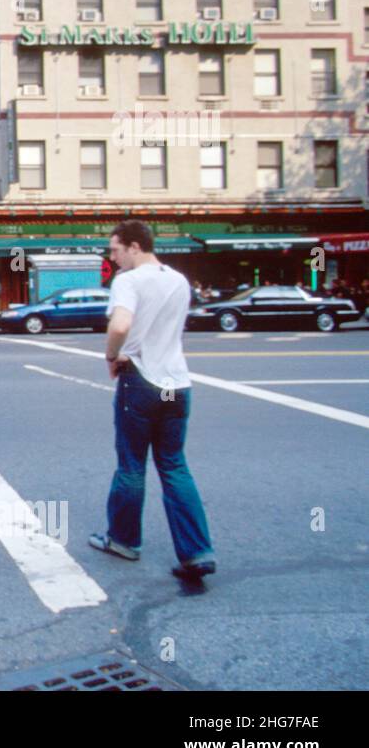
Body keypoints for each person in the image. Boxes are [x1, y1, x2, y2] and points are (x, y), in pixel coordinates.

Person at [90, 220, 216, 581]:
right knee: (174, 465)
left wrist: (111, 357)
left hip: (140, 379)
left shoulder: (128, 281)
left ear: (133, 246)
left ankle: (123, 540)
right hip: (178, 382)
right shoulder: (178, 280)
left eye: (115, 249)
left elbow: (120, 326)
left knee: (131, 464)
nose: (112, 258)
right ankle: (197, 552)